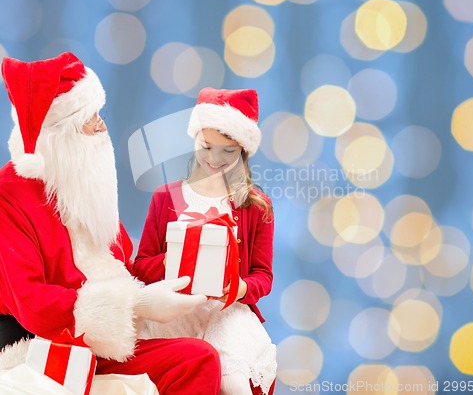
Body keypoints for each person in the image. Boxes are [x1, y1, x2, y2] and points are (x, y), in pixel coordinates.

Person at [0, 52, 221, 394]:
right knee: (198, 359)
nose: (103, 126)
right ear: (62, 134)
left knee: (203, 355)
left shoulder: (82, 180)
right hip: (47, 347)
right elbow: (33, 304)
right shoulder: (9, 196)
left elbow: (122, 267)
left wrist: (184, 262)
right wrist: (137, 304)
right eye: (92, 118)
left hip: (105, 342)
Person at [134, 87, 277, 395]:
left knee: (231, 379)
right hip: (175, 313)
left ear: (243, 152)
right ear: (195, 139)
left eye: (228, 151)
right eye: (206, 146)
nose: (214, 159)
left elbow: (263, 276)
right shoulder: (166, 198)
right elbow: (141, 268)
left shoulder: (256, 206)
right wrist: (178, 258)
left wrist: (241, 288)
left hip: (227, 313)